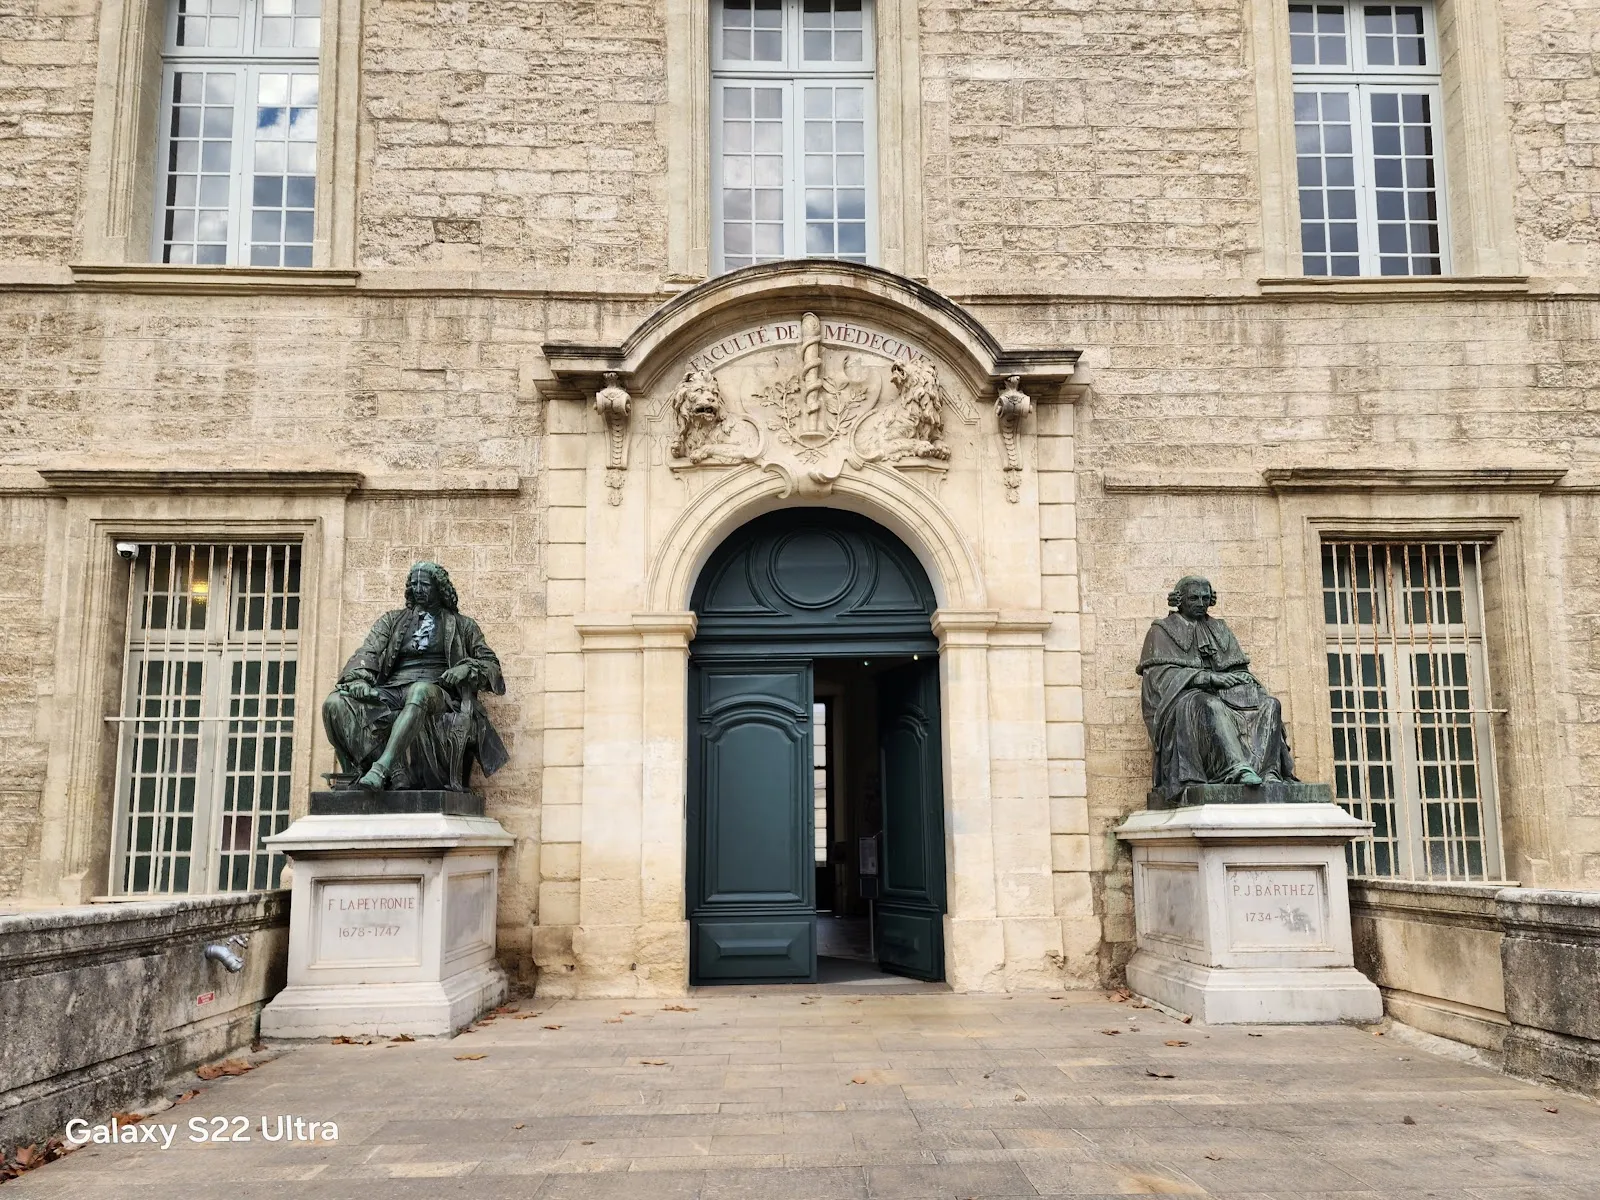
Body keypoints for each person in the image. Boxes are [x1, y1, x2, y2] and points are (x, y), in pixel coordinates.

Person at [321, 561, 507, 791]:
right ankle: (397, 773)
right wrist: (359, 679)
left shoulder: (463, 625)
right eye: (414, 584)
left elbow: (491, 666)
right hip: (392, 689)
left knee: (420, 690)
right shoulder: (391, 621)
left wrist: (466, 669)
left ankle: (381, 769)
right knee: (334, 703)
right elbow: (367, 652)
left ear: (439, 588)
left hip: (437, 691)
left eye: (425, 584)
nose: (418, 589)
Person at [1136, 575, 1297, 805]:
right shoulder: (1161, 631)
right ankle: (1236, 769)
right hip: (1184, 702)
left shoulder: (1219, 629)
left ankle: (1267, 771)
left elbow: (1238, 668)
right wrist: (1206, 678)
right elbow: (1158, 680)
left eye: (1204, 598)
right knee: (1209, 704)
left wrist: (1244, 681)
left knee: (1270, 705)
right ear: (1179, 600)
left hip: (1226, 698)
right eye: (1193, 598)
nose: (1200, 603)